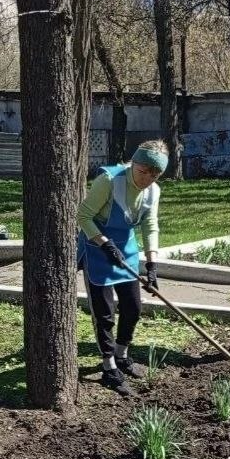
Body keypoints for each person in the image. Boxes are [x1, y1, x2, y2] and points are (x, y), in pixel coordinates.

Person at [77, 140, 168, 396]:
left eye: (154, 175)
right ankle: (108, 367)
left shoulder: (153, 191)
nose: (146, 179)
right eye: (142, 172)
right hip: (97, 247)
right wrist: (105, 244)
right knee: (104, 312)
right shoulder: (109, 180)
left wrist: (151, 264)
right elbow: (83, 216)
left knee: (133, 307)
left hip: (126, 249)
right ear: (133, 164)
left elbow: (150, 225)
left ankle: (122, 355)